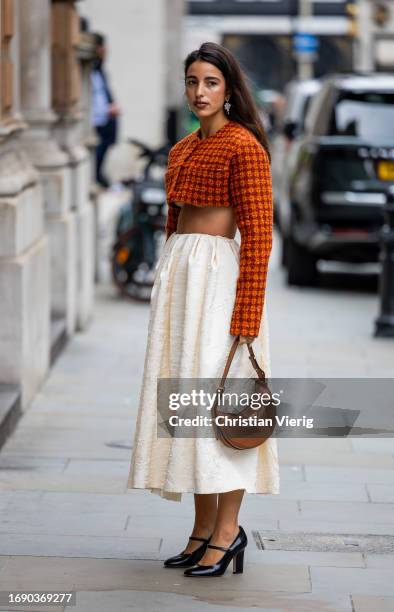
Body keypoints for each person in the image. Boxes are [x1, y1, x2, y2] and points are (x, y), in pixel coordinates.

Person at [127, 41, 280, 578]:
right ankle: (200, 529)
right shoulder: (181, 149)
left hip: (220, 283)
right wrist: (163, 286)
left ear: (230, 88)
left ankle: (227, 532)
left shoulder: (245, 148)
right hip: (181, 283)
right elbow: (173, 225)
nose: (200, 92)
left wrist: (247, 316)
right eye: (192, 81)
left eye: (211, 82)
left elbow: (259, 236)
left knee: (224, 409)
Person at [91, 32, 121, 188]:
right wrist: (107, 109)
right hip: (97, 119)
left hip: (104, 119)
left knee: (104, 145)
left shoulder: (99, 70)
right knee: (97, 149)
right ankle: (95, 176)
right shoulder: (92, 69)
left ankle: (98, 174)